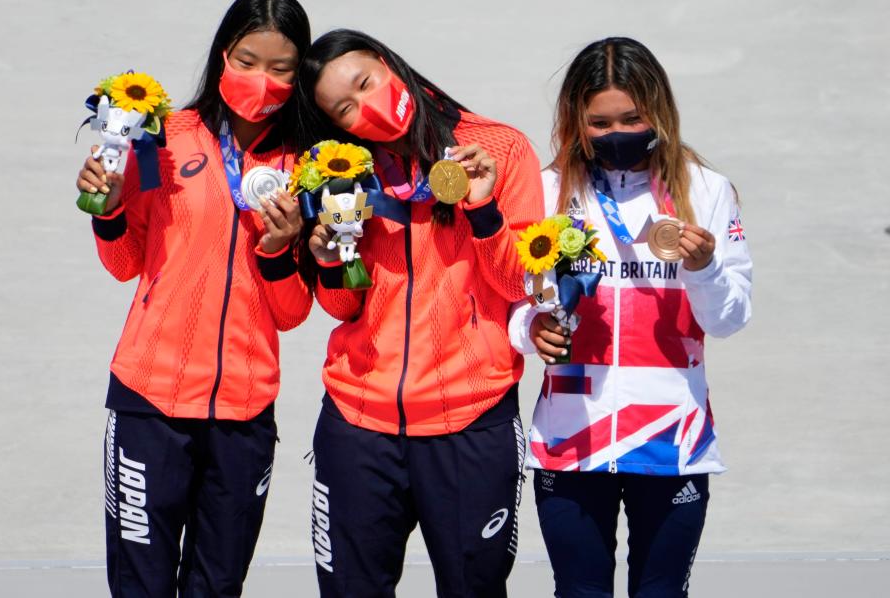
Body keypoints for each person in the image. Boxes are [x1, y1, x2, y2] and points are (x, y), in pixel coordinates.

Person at [74, 0, 312, 596]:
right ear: (223, 55)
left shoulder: (311, 165)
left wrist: (280, 248)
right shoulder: (164, 137)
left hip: (244, 407)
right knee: (140, 584)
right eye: (248, 61)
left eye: (282, 69)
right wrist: (106, 208)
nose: (263, 79)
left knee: (217, 585)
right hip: (149, 398)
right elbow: (127, 262)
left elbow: (290, 314)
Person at [294, 29, 544, 598]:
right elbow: (340, 306)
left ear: (388, 63)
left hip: (469, 420)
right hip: (360, 422)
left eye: (366, 82)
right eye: (345, 109)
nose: (365, 108)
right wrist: (332, 263)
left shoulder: (498, 148)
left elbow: (518, 283)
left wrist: (482, 207)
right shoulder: (341, 173)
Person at [508, 36, 752, 597]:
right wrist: (530, 331)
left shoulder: (705, 191)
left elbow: (730, 318)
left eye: (632, 118)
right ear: (575, 120)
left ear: (658, 113)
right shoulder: (546, 192)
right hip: (572, 438)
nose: (617, 134)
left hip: (673, 438)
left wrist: (706, 267)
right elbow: (512, 308)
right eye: (599, 123)